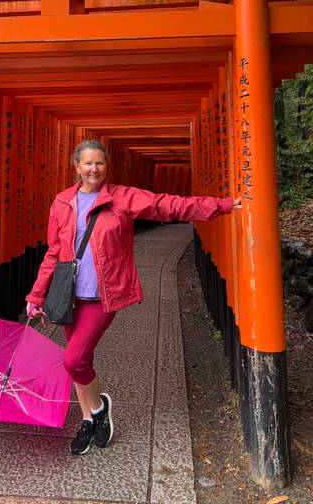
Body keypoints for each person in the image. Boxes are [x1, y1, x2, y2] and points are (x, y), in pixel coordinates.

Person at [25, 139, 241, 456]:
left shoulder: (122, 198)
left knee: (73, 359)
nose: (93, 168)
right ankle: (87, 419)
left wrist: (218, 206)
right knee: (79, 361)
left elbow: (169, 206)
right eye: (87, 163)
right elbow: (54, 252)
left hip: (104, 295)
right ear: (76, 166)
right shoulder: (61, 203)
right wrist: (36, 294)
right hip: (69, 295)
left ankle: (98, 409)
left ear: (106, 166)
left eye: (99, 163)